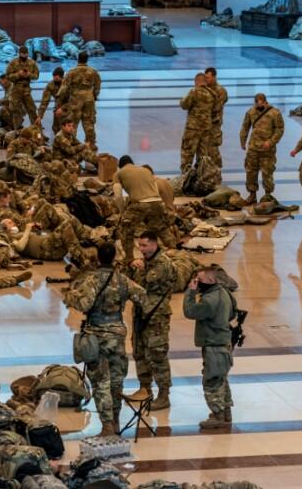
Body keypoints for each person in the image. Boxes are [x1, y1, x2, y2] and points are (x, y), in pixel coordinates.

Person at [64, 242, 145, 436]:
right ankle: (116, 420)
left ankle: (107, 425)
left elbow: (84, 304)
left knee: (101, 382)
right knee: (117, 380)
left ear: (98, 258)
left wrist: (69, 296)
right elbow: (141, 296)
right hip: (117, 334)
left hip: (96, 335)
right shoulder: (123, 279)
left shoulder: (91, 280)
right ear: (114, 257)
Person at [183, 265, 237, 431]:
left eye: (199, 280)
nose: (197, 283)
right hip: (224, 342)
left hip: (214, 344)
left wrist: (190, 293)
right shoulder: (225, 293)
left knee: (212, 380)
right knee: (221, 379)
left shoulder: (209, 300)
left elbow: (190, 312)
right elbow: (233, 313)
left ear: (211, 280)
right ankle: (226, 412)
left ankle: (218, 415)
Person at [126, 231, 175, 411]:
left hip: (156, 317)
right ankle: (144, 389)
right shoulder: (145, 262)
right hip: (141, 313)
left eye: (145, 246)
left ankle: (164, 395)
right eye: (140, 246)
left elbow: (141, 286)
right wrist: (132, 265)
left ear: (154, 245)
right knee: (139, 351)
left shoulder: (162, 264)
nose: (142, 249)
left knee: (157, 355)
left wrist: (137, 270)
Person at [113, 155, 173, 253]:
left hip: (140, 203)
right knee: (162, 229)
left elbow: (118, 195)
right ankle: (175, 252)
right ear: (132, 163)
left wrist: (122, 211)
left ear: (120, 166)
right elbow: (155, 188)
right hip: (156, 202)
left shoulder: (119, 173)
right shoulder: (146, 170)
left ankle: (129, 259)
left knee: (126, 231)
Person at [239, 92, 284, 204]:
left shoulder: (275, 113)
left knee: (267, 173)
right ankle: (252, 195)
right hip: (253, 148)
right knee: (251, 172)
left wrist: (271, 142)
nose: (258, 106)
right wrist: (243, 141)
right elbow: (245, 127)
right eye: (256, 104)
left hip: (267, 150)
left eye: (260, 103)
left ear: (265, 102)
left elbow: (279, 129)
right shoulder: (251, 112)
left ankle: (267, 196)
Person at [56, 51, 101, 146]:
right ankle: (90, 146)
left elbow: (64, 88)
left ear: (78, 59)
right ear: (87, 59)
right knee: (89, 123)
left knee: (73, 123)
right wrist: (94, 96)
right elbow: (97, 86)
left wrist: (60, 100)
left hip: (75, 100)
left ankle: (72, 145)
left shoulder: (72, 72)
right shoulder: (93, 72)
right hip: (89, 99)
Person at [179, 73, 215, 172]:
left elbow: (184, 105)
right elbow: (215, 110)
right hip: (206, 128)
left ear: (196, 81)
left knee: (187, 153)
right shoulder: (212, 94)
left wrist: (181, 101)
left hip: (193, 129)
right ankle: (201, 180)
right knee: (203, 156)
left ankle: (186, 179)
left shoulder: (194, 91)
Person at [4, 46, 40, 127]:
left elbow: (37, 76)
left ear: (28, 54)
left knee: (32, 110)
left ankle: (36, 131)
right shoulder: (13, 63)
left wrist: (29, 75)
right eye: (22, 54)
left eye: (26, 54)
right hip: (16, 90)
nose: (24, 56)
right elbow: (8, 76)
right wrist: (18, 74)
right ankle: (17, 130)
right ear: (19, 54)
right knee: (16, 111)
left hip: (27, 90)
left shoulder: (32, 63)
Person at [204, 67, 227, 169]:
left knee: (213, 148)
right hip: (204, 124)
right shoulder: (204, 88)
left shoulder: (221, 91)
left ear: (214, 77)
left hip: (214, 123)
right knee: (204, 149)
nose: (206, 80)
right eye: (205, 77)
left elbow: (216, 106)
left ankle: (217, 169)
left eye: (208, 77)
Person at [36, 67, 64, 132]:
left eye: (57, 78)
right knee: (55, 128)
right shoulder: (50, 85)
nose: (55, 80)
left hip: (70, 107)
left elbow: (73, 100)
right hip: (58, 107)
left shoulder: (67, 84)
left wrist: (63, 108)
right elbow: (44, 101)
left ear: (62, 77)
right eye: (54, 77)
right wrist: (40, 116)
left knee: (67, 127)